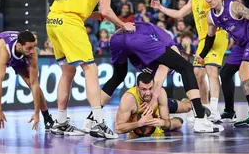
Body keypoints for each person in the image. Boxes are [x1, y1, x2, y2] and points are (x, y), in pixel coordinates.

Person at [91, 22, 224, 133]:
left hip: (117, 38)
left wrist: (160, 117)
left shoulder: (153, 53)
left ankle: (92, 118)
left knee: (118, 75)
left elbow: (156, 79)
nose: (174, 69)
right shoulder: (167, 48)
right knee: (186, 67)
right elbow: (162, 75)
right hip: (134, 37)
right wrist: (154, 98)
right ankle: (200, 116)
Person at [46, 0, 135, 138]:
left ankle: (61, 122)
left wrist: (94, 15)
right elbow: (106, 10)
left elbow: (72, 4)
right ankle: (98, 123)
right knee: (91, 70)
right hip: (69, 22)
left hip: (53, 20)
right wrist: (123, 24)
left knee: (68, 72)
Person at [150, 0, 229, 122]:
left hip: (217, 35)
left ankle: (215, 109)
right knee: (197, 74)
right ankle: (205, 108)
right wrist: (161, 8)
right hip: (203, 40)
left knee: (211, 70)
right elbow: (179, 14)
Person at [196, 0, 249, 127]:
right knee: (225, 73)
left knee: (244, 73)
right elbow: (210, 37)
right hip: (241, 43)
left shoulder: (234, 7)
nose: (209, 0)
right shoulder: (211, 17)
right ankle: (229, 111)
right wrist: (202, 55)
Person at [0, 31, 54, 131]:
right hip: (3, 54)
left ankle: (47, 117)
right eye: (29, 48)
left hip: (18, 56)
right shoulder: (4, 49)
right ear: (19, 45)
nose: (32, 51)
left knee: (30, 82)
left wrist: (37, 113)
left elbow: (34, 84)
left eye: (34, 47)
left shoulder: (31, 53)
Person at [115, 72, 185, 137]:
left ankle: (188, 101)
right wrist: (139, 123)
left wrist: (163, 123)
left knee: (186, 109)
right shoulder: (129, 98)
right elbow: (118, 128)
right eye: (144, 89)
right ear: (137, 88)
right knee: (178, 123)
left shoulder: (160, 93)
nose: (148, 93)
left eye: (150, 88)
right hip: (138, 128)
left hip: (161, 107)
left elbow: (166, 123)